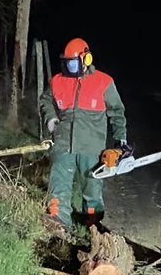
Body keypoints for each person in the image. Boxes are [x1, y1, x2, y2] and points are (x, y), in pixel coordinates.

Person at [39, 37, 128, 229]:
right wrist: (51, 118)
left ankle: (93, 226)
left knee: (92, 188)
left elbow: (117, 112)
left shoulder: (104, 82)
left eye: (73, 63)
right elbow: (45, 100)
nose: (69, 67)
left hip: (91, 147)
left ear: (86, 60)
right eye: (67, 63)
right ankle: (58, 224)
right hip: (63, 144)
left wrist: (121, 139)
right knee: (59, 185)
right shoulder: (57, 81)